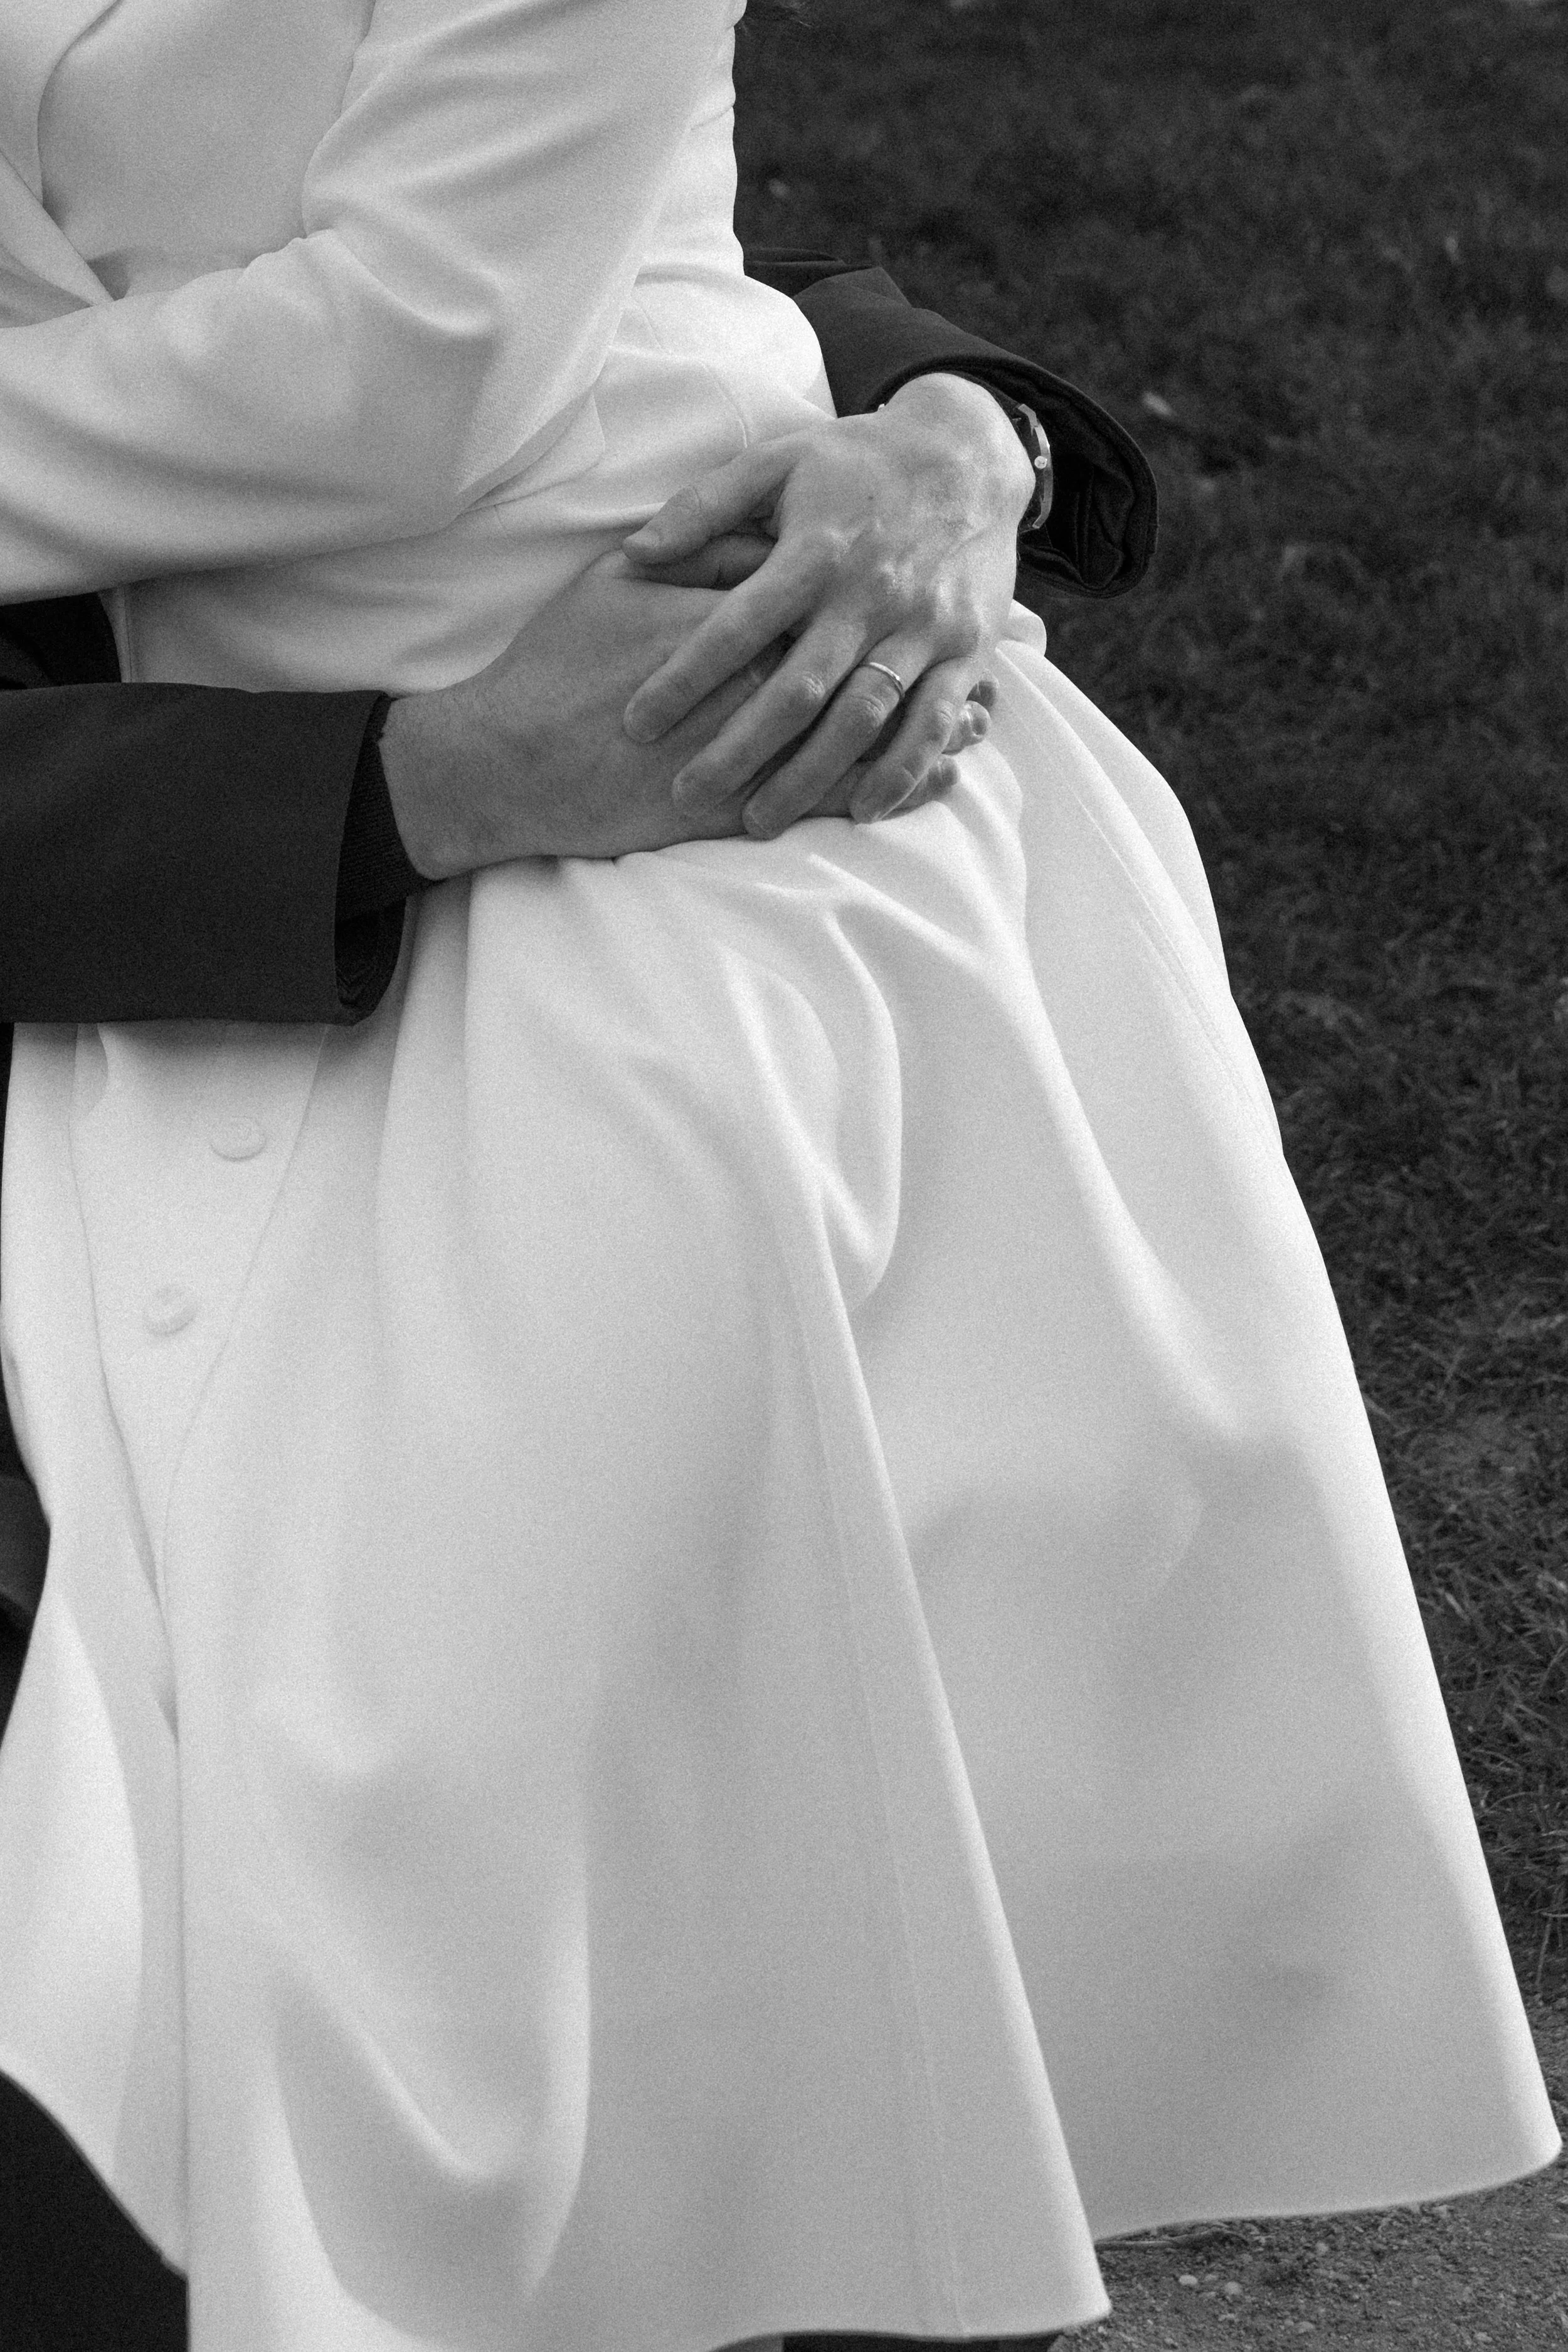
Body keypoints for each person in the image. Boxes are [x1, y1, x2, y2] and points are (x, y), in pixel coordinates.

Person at [0, 5, 1557, 2350]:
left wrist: (962, 428)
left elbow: (486, 280)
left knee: (687, 1747)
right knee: (242, 1844)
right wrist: (403, 787)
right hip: (168, 864)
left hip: (625, 837)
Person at [0, 244, 1142, 2352]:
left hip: (515, 892)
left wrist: (956, 436)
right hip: (103, 983)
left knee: (822, 1368)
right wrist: (411, 783)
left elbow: (531, 229)